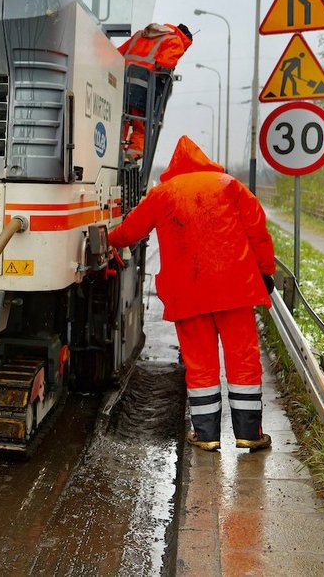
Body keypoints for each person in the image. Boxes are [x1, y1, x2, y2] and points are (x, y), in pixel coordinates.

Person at [107, 135, 276, 452]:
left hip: (189, 294)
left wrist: (110, 239)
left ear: (174, 167)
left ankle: (207, 435)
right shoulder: (230, 185)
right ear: (204, 161)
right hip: (235, 289)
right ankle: (249, 434)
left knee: (201, 364)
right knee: (243, 359)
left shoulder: (162, 194)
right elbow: (257, 230)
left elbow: (131, 230)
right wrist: (265, 271)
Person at [118, 23, 193, 159]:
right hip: (144, 89)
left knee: (120, 121)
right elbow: (165, 64)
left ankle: (115, 153)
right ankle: (130, 159)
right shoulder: (175, 41)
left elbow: (118, 53)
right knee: (141, 128)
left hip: (121, 84)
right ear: (185, 40)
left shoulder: (140, 34)